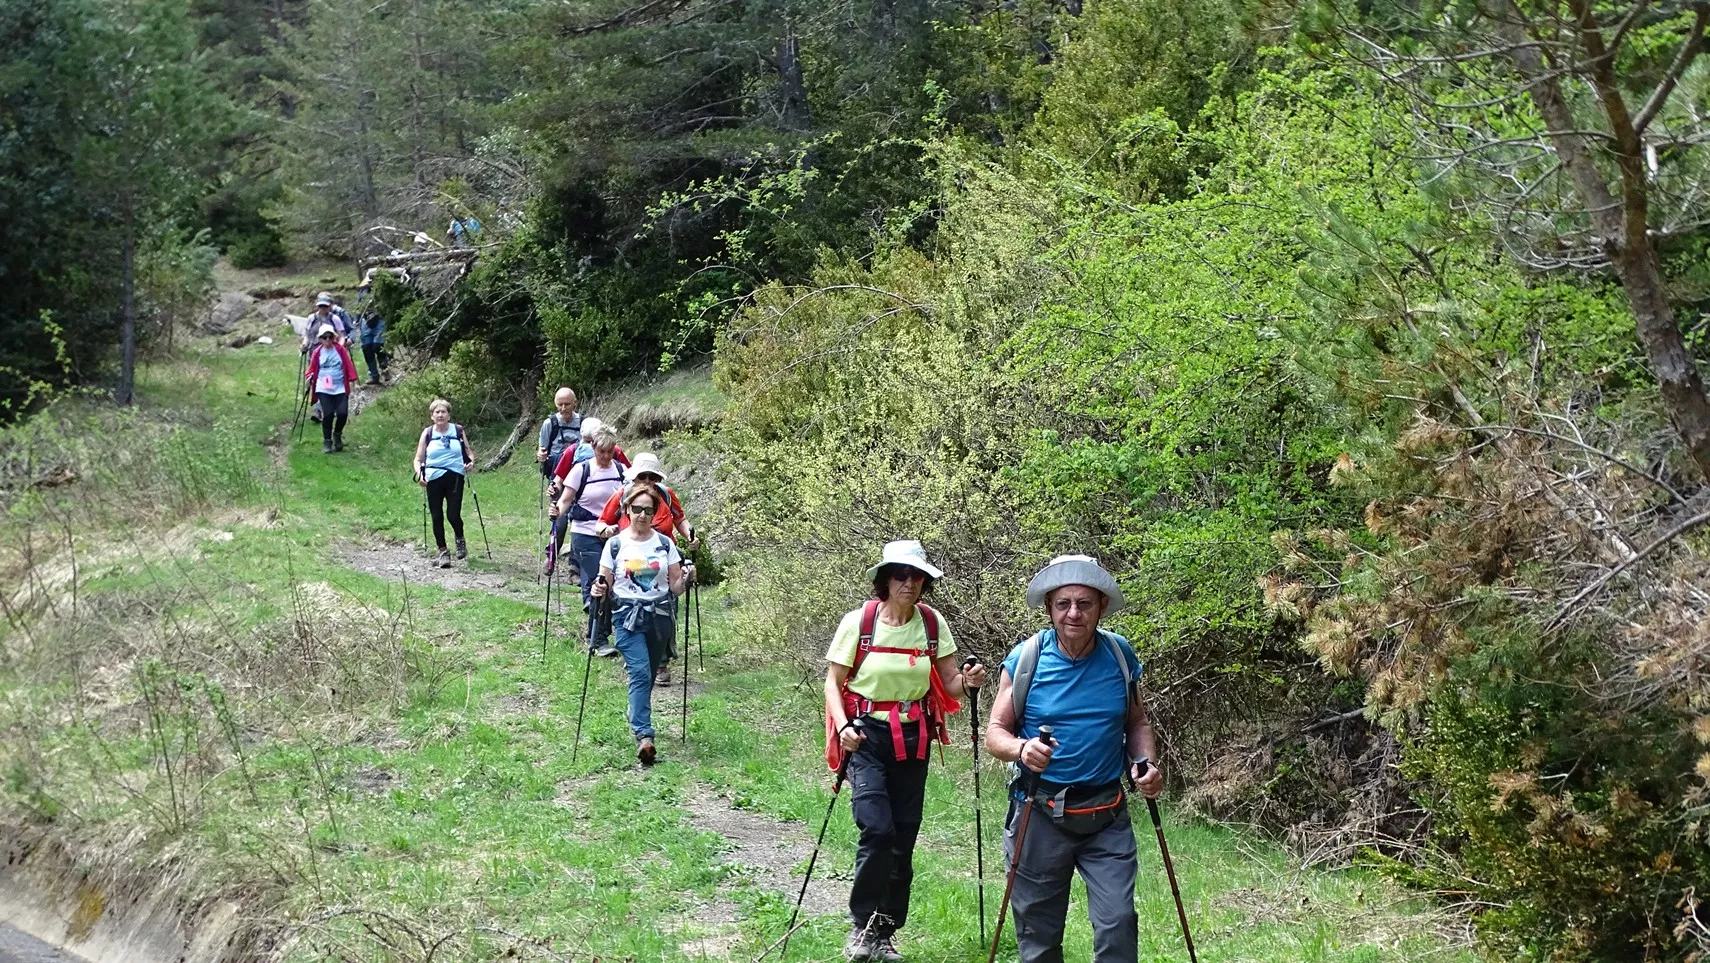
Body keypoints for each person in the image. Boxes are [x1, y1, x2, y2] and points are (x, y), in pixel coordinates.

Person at [982, 555, 1164, 963]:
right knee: (1039, 935)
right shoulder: (1026, 658)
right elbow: (995, 733)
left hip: (1106, 815)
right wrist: (1022, 749)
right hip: (1039, 812)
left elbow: (1137, 722)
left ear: (1102, 605)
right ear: (1049, 607)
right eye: (1063, 603)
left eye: (1084, 603)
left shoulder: (1119, 655)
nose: (1074, 613)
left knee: (1118, 922)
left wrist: (1146, 763)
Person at [823, 540, 987, 962]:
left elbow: (950, 684)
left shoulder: (931, 624)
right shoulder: (859, 622)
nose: (909, 583)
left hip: (914, 738)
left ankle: (884, 931)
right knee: (878, 830)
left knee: (903, 836)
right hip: (865, 737)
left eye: (917, 576)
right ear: (885, 579)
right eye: (901, 575)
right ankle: (861, 926)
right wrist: (843, 727)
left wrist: (969, 681)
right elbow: (833, 683)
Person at [590, 483, 689, 766]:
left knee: (648, 672)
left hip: (659, 618)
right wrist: (598, 590)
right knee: (641, 672)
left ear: (655, 513)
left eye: (648, 510)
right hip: (627, 618)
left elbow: (676, 588)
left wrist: (687, 578)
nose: (642, 515)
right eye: (637, 509)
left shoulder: (665, 544)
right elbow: (605, 583)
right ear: (626, 510)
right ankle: (644, 735)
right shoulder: (615, 544)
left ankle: (635, 713)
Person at [595, 451, 698, 685]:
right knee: (631, 601)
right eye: (643, 476)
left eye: (653, 477)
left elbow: (680, 519)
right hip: (630, 556)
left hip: (664, 554)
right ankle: (634, 652)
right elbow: (601, 523)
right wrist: (607, 532)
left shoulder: (666, 495)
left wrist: (690, 536)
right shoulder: (623, 496)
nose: (649, 481)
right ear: (634, 477)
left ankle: (660, 661)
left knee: (667, 606)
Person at [549, 427, 627, 654]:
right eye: (602, 451)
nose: (606, 456)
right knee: (600, 583)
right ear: (593, 447)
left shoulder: (621, 471)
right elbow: (566, 499)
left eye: (610, 451)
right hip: (585, 533)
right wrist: (557, 511)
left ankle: (614, 633)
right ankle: (597, 640)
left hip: (614, 535)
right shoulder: (581, 470)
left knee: (617, 584)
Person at [411, 400, 476, 568]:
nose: (440, 415)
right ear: (432, 416)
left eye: (443, 412)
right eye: (437, 412)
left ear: (449, 415)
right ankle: (443, 551)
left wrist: (471, 463)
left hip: (455, 476)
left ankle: (460, 539)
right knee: (436, 516)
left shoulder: (458, 430)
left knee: (453, 514)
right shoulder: (428, 433)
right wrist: (420, 475)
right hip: (433, 478)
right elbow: (418, 459)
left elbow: (468, 452)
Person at [303, 325, 357, 454]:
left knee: (343, 413)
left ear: (334, 337)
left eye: (330, 336)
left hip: (340, 387)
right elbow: (311, 368)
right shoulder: (317, 352)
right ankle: (327, 441)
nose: (327, 339)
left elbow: (348, 364)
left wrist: (353, 378)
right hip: (323, 387)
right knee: (328, 414)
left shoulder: (340, 350)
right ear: (320, 339)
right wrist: (309, 377)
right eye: (324, 337)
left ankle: (337, 434)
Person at [537, 388, 583, 501]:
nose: (563, 408)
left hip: (578, 471)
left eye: (567, 404)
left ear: (575, 403)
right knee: (557, 506)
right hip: (555, 470)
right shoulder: (549, 424)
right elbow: (542, 449)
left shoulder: (584, 423)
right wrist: (540, 455)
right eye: (560, 404)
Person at [355, 283, 388, 385]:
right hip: (366, 320)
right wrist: (357, 319)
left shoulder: (384, 287)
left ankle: (385, 368)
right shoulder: (363, 289)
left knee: (378, 346)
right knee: (367, 348)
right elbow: (359, 305)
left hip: (380, 318)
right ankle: (373, 375)